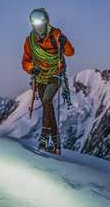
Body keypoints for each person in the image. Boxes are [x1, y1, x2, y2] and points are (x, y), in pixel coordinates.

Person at [22, 8, 75, 154]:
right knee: (48, 107)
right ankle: (56, 144)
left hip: (55, 75)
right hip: (39, 78)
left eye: (41, 23)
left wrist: (64, 42)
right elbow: (26, 61)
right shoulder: (29, 41)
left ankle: (44, 139)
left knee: (46, 100)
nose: (39, 27)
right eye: (36, 24)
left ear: (46, 22)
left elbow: (70, 52)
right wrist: (31, 68)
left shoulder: (56, 34)